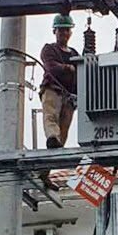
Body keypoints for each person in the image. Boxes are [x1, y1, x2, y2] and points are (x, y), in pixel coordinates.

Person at [39, 12, 79, 149]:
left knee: (64, 128)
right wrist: (67, 67)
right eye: (61, 30)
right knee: (51, 117)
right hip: (52, 89)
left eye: (67, 30)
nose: (64, 33)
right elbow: (50, 66)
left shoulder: (74, 53)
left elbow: (81, 72)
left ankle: (58, 147)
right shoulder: (49, 49)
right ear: (54, 31)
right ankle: (52, 138)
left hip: (69, 96)